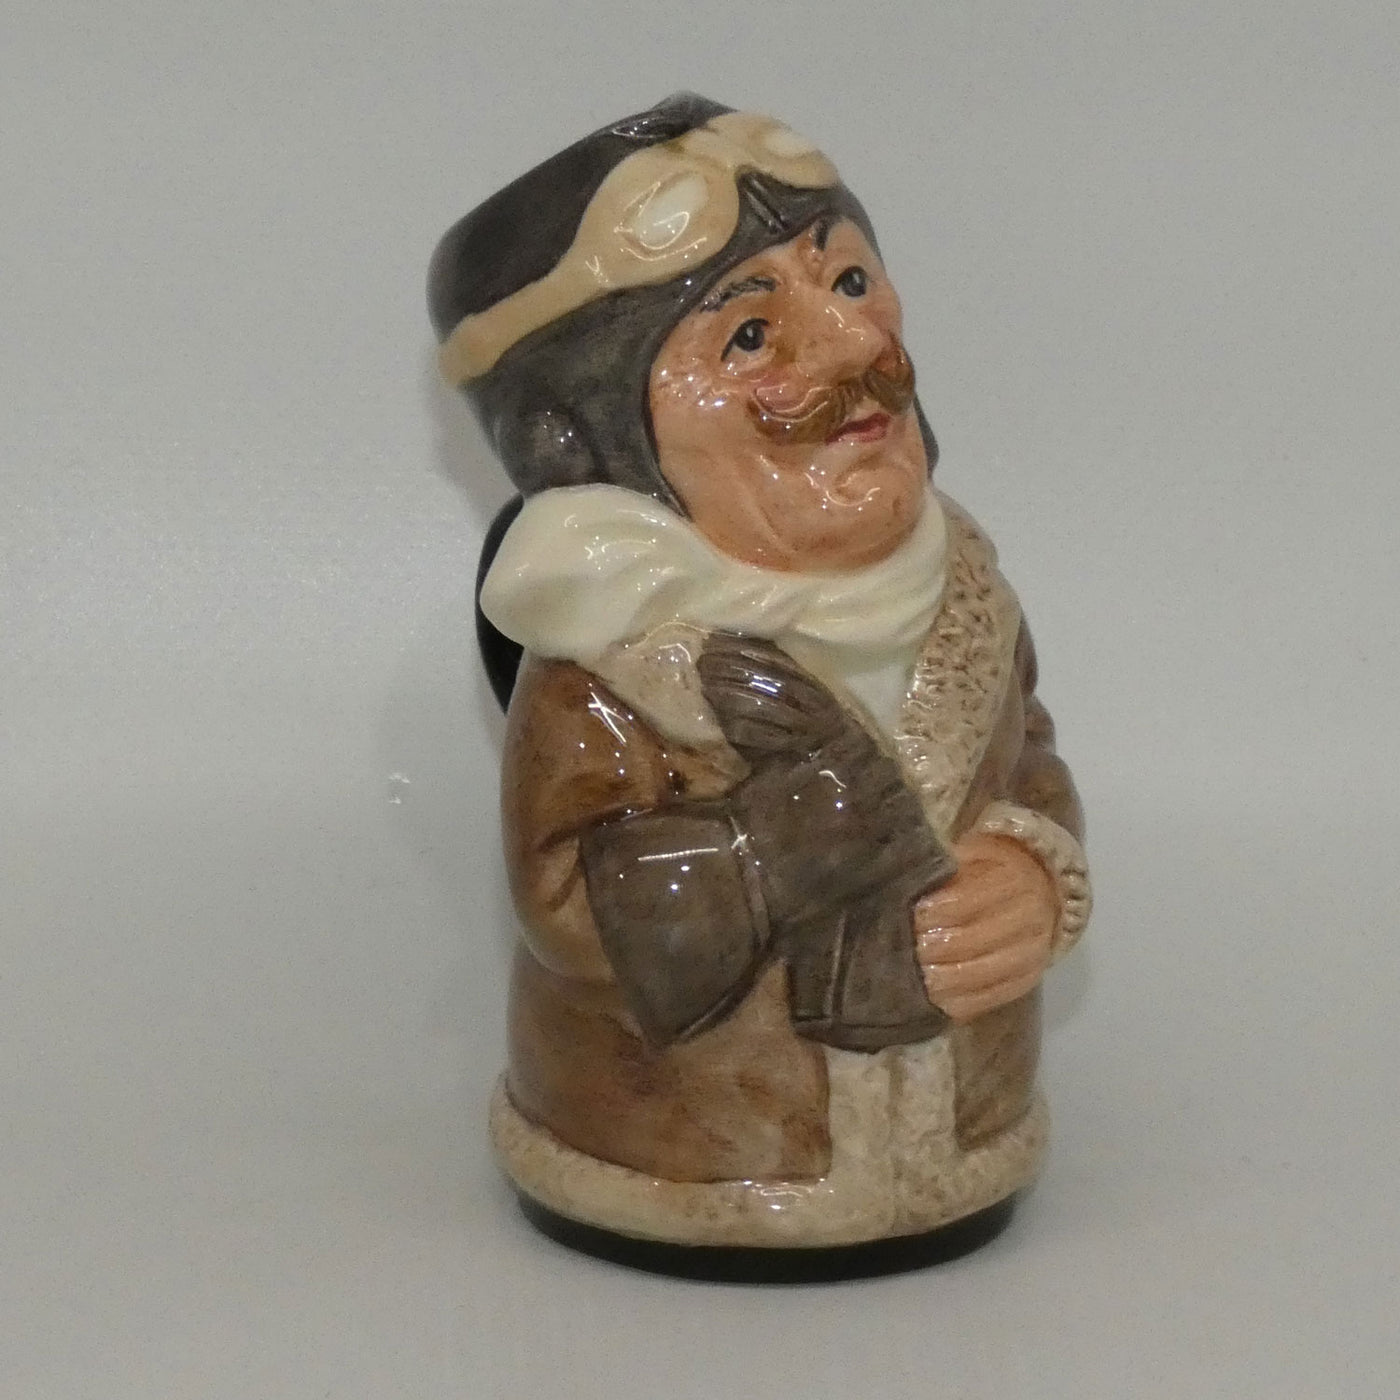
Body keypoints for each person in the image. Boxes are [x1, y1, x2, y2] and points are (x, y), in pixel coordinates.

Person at [429, 94, 1090, 1261]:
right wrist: (762, 845)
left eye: (849, 281)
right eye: (745, 335)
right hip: (676, 1148)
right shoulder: (611, 661)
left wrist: (1033, 871)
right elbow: (562, 904)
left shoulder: (963, 596)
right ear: (600, 442)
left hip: (965, 1134)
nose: (847, 347)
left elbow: (1025, 757)